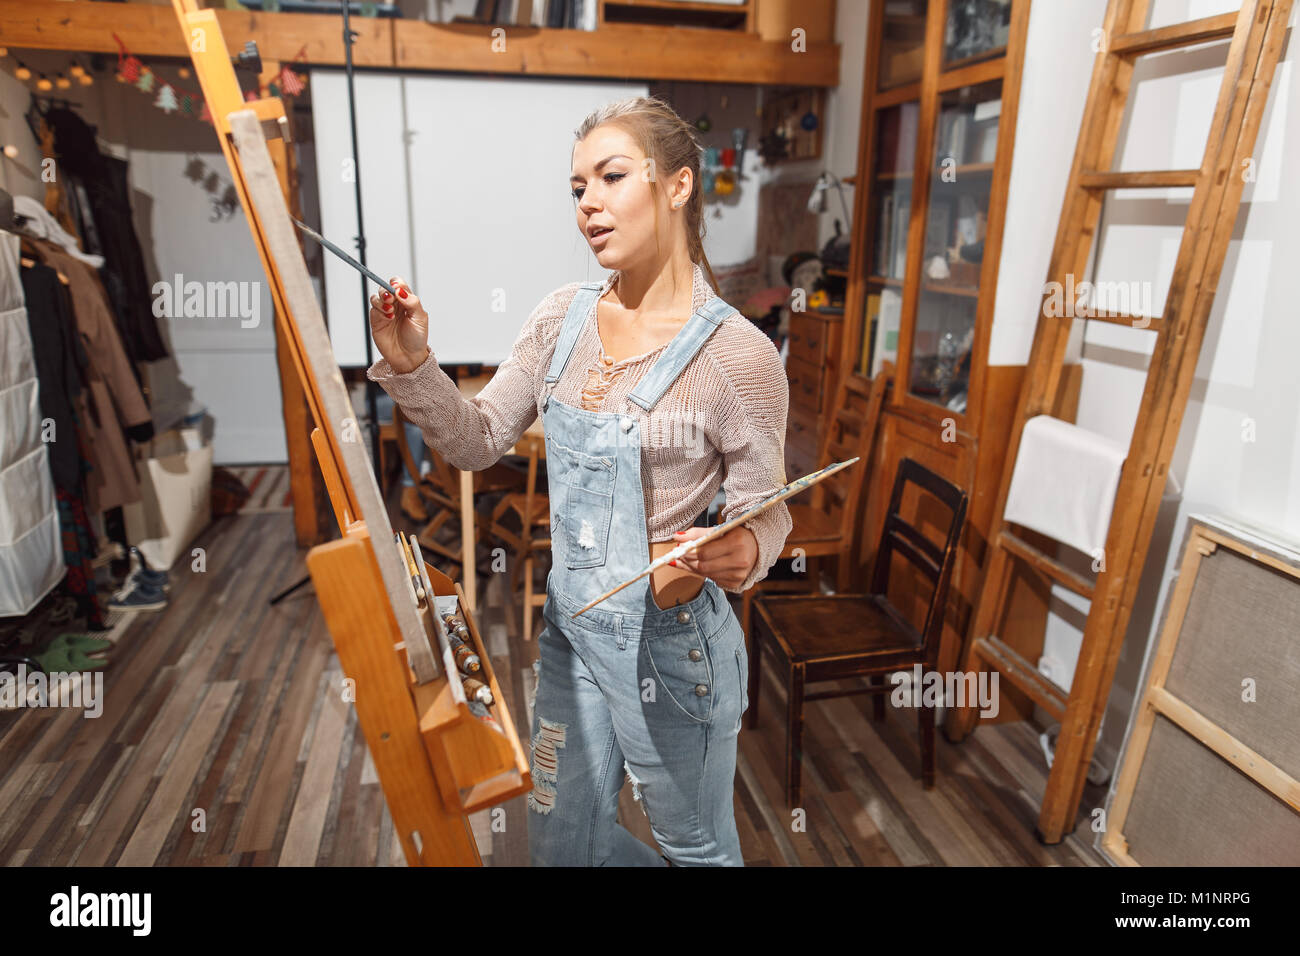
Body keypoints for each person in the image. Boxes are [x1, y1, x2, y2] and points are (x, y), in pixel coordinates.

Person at [366, 95, 792, 866]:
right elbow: (476, 440)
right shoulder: (559, 318)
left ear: (677, 186)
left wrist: (749, 547)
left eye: (611, 177)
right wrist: (412, 365)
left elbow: (768, 510)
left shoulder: (738, 356)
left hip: (674, 652)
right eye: (576, 188)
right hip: (570, 635)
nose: (588, 203)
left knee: (694, 851)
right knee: (565, 842)